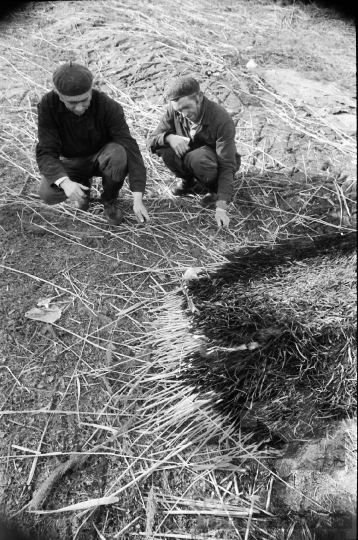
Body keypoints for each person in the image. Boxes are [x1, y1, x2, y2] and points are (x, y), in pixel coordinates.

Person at [36, 62, 149, 225]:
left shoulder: (108, 106)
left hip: (102, 158)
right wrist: (65, 183)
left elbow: (130, 148)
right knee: (48, 193)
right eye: (72, 103)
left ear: (92, 89)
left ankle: (109, 201)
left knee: (119, 153)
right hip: (71, 161)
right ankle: (82, 191)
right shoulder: (48, 105)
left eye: (84, 100)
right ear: (59, 95)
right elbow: (46, 150)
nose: (80, 108)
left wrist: (138, 199)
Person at [147, 76, 240, 228]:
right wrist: (169, 137)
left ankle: (213, 189)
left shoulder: (221, 119)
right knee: (166, 150)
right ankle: (188, 182)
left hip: (212, 164)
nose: (183, 114)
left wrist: (222, 206)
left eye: (187, 107)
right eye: (179, 110)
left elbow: (227, 165)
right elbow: (150, 141)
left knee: (199, 158)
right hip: (192, 157)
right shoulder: (174, 110)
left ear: (199, 97)